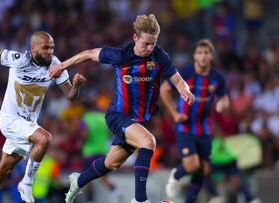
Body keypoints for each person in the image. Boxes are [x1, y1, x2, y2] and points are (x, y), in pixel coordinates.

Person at [50, 14, 195, 203]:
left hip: (138, 120)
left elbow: (177, 79)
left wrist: (185, 91)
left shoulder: (159, 56)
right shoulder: (121, 56)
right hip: (118, 115)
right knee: (148, 142)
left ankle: (79, 180)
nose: (150, 48)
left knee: (112, 163)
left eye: (153, 43)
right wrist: (62, 65)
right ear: (135, 37)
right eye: (146, 43)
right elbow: (88, 54)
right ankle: (140, 200)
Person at [0, 31, 86, 203]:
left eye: (52, 47)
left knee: (5, 168)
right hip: (10, 119)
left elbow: (70, 95)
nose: (50, 51)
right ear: (33, 48)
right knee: (45, 139)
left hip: (27, 123)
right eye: (45, 48)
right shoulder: (19, 59)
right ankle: (26, 184)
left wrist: (77, 85)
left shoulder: (55, 65)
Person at [160, 39, 230, 203]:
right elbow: (164, 90)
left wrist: (222, 104)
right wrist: (175, 113)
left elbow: (224, 98)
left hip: (204, 128)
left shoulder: (217, 77)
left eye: (206, 53)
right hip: (185, 126)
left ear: (211, 56)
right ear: (194, 56)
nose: (203, 56)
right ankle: (176, 174)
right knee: (192, 165)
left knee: (204, 169)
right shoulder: (185, 73)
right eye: (200, 53)